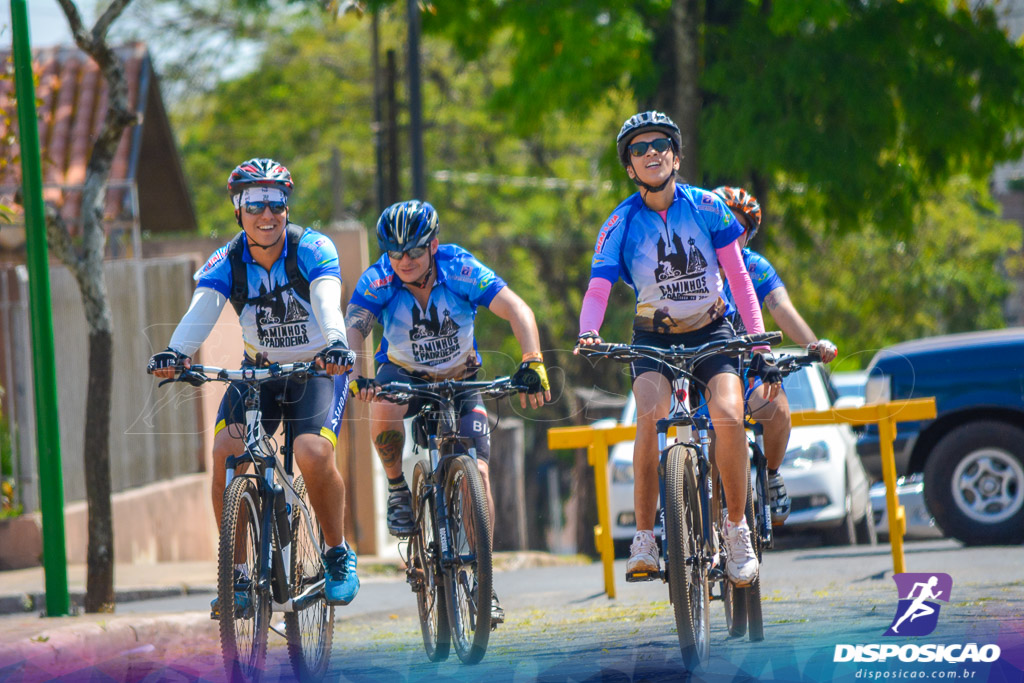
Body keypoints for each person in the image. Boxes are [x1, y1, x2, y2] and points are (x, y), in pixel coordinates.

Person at [575, 111, 780, 587]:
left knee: (728, 413)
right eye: (640, 148)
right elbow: (599, 288)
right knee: (649, 418)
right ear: (629, 166)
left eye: (661, 144)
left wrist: (758, 340)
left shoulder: (708, 207)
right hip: (653, 337)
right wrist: (589, 330)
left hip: (713, 331)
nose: (651, 153)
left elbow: (739, 278)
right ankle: (645, 537)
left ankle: (735, 529)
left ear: (677, 155)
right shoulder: (619, 222)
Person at [147, 158, 360, 607]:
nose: (268, 214)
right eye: (255, 204)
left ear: (287, 206)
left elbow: (326, 300)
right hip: (259, 370)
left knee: (312, 452)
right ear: (238, 210)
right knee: (226, 451)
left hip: (318, 368)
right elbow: (201, 309)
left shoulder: (312, 248)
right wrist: (176, 354)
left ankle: (338, 552)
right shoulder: (227, 261)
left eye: (277, 203)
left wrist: (337, 343)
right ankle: (238, 575)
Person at [346, 199, 551, 625]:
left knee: (479, 474)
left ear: (434, 245)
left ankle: (484, 583)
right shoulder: (380, 278)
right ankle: (398, 488)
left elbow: (516, 308)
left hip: (461, 379)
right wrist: (356, 374)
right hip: (405, 375)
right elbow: (356, 328)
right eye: (395, 252)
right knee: (382, 404)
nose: (403, 260)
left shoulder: (460, 268)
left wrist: (532, 359)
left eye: (415, 251)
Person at [712, 186, 838, 525]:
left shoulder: (755, 267)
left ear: (748, 236)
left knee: (777, 405)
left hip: (744, 365)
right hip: (703, 366)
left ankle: (769, 474)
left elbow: (780, 307)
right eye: (723, 225)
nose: (731, 235)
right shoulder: (693, 265)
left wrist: (813, 345)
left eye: (740, 230)